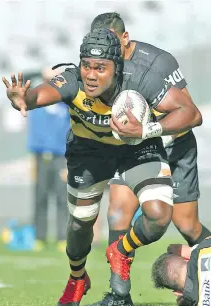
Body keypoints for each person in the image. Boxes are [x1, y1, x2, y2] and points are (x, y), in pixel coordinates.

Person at [2, 28, 202, 306]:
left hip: (136, 146)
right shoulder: (73, 80)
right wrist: (24, 100)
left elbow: (191, 113)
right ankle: (77, 278)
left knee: (158, 215)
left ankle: (121, 250)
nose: (91, 74)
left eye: (100, 67)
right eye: (86, 66)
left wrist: (146, 129)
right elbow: (41, 94)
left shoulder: (142, 79)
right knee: (80, 222)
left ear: (117, 68)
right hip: (89, 153)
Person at [89, 12, 211, 304]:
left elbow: (189, 113)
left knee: (187, 225)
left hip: (173, 146)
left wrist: (146, 128)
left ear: (125, 38)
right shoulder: (103, 67)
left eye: (111, 42)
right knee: (118, 211)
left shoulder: (159, 62)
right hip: (135, 149)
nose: (105, 50)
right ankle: (119, 296)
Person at [27, 67, 70, 252]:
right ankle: (40, 237)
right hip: (40, 157)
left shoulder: (65, 103)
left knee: (62, 199)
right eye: (46, 79)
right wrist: (40, 71)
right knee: (40, 198)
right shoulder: (36, 99)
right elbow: (20, 83)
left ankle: (62, 238)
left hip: (61, 158)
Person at [152, 237, 211, 306]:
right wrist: (191, 250)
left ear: (178, 293)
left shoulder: (200, 302)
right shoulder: (204, 247)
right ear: (186, 258)